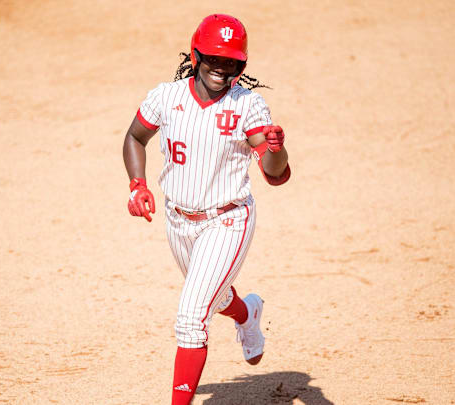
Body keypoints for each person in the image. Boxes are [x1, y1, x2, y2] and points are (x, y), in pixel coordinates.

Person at [122, 13, 291, 405]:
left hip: (228, 220)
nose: (221, 67)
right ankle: (247, 314)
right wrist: (137, 184)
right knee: (212, 299)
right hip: (178, 222)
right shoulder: (166, 96)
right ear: (195, 56)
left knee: (191, 318)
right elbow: (135, 137)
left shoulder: (248, 105)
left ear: (241, 65)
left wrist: (276, 148)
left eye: (231, 61)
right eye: (213, 58)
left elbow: (274, 173)